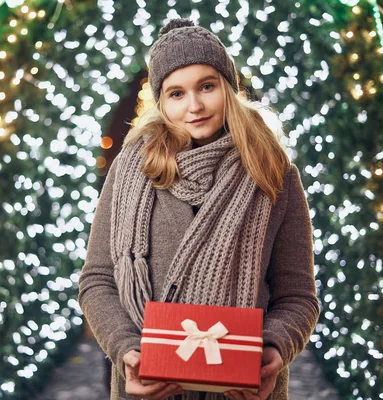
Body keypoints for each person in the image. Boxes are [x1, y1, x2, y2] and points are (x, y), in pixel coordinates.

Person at [78, 18, 319, 400]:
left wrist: (274, 349)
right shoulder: (130, 172)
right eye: (176, 93)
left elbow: (297, 295)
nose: (194, 106)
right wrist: (126, 349)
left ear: (229, 88)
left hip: (243, 388)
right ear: (161, 102)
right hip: (148, 386)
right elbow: (97, 280)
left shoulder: (274, 174)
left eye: (207, 86)